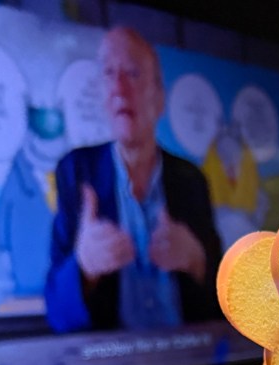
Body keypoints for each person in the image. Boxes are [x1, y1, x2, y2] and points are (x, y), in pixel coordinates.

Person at [45, 27, 221, 332]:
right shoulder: (75, 171)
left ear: (159, 99)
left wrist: (196, 260)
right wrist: (83, 269)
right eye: (109, 74)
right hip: (110, 361)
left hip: (186, 355)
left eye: (133, 73)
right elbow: (57, 316)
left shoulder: (191, 179)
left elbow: (225, 302)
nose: (119, 88)